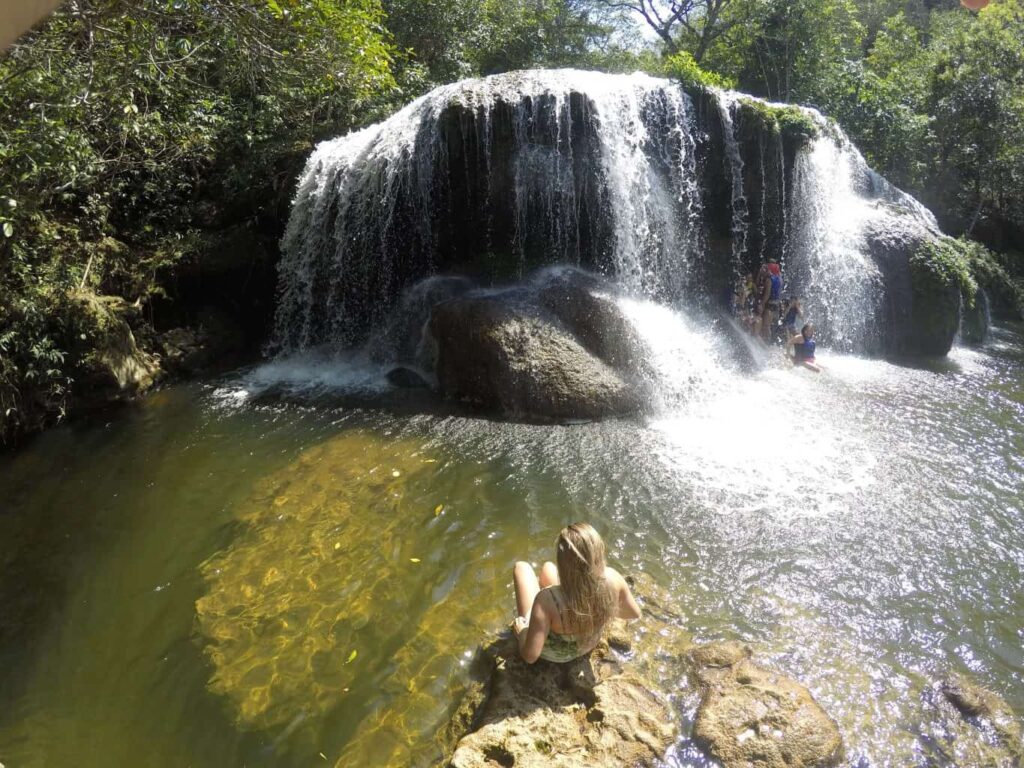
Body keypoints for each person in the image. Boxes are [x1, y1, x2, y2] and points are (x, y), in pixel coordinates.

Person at [511, 522, 642, 664]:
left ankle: (545, 617)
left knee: (521, 567)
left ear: (563, 562)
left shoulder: (546, 600)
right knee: (548, 568)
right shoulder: (613, 579)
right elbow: (633, 613)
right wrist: (601, 608)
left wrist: (522, 632)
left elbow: (530, 657)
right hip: (587, 645)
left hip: (556, 655)